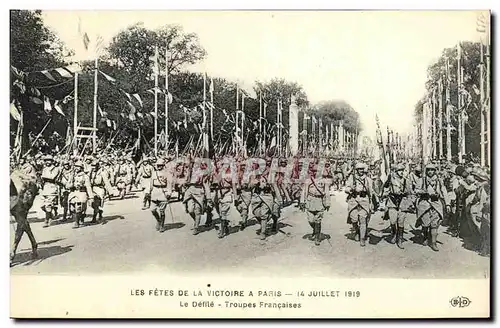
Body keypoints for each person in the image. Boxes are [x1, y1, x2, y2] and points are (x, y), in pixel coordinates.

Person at [415, 163, 451, 252]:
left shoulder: (439, 180)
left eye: (432, 170)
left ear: (435, 171)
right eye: (429, 170)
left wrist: (447, 204)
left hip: (436, 204)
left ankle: (433, 243)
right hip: (424, 204)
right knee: (425, 224)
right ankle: (425, 236)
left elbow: (444, 191)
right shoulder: (421, 180)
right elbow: (415, 190)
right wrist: (423, 192)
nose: (430, 172)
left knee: (435, 224)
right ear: (426, 171)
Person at [300, 160, 332, 246]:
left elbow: (327, 192)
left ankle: (317, 236)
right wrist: (302, 202)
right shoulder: (308, 180)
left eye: (317, 171)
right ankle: (315, 230)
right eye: (313, 171)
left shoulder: (324, 181)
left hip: (319, 201)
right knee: (310, 220)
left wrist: (327, 203)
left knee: (318, 220)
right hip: (310, 201)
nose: (315, 173)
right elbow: (304, 192)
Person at [344, 162, 375, 247]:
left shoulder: (368, 179)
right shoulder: (352, 178)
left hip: (364, 200)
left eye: (362, 169)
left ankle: (362, 238)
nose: (361, 171)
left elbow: (371, 192)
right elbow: (346, 188)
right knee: (353, 219)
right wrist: (350, 189)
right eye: (359, 169)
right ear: (356, 170)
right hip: (353, 200)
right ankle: (357, 231)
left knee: (363, 219)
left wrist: (371, 203)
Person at [381, 163, 411, 249]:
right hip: (392, 202)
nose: (401, 172)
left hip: (402, 203)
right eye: (399, 170)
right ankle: (394, 233)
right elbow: (385, 187)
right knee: (393, 221)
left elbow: (409, 193)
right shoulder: (391, 179)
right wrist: (385, 193)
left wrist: (408, 199)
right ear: (395, 171)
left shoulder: (406, 181)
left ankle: (400, 239)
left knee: (401, 222)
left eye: (402, 170)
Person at [149, 158, 173, 232]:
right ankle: (158, 220)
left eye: (161, 165)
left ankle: (162, 225)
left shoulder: (167, 174)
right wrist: (149, 192)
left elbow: (169, 184)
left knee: (162, 210)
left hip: (163, 192)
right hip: (155, 192)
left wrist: (169, 193)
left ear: (163, 166)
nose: (159, 167)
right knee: (152, 210)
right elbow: (151, 184)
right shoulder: (153, 173)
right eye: (158, 165)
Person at [68, 161, 94, 229]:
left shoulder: (85, 176)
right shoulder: (72, 175)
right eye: (75, 166)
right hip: (74, 192)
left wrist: (91, 197)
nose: (76, 168)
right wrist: (70, 184)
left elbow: (88, 186)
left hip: (82, 193)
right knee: (72, 208)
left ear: (81, 168)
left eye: (78, 167)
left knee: (78, 208)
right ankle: (79, 217)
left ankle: (76, 222)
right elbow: (68, 184)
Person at [89, 159, 116, 223]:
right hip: (92, 188)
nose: (93, 167)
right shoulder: (89, 173)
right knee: (92, 203)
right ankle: (99, 211)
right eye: (92, 166)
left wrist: (110, 191)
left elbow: (106, 182)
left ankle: (94, 217)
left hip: (100, 189)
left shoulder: (102, 173)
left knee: (97, 203)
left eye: (94, 166)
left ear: (97, 166)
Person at [40, 155, 61, 228]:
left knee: (48, 205)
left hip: (52, 187)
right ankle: (50, 215)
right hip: (45, 187)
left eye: (49, 160)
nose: (47, 162)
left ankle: (46, 220)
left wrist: (43, 177)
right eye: (46, 160)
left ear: (52, 161)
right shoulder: (45, 169)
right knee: (42, 206)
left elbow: (52, 177)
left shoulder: (55, 169)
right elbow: (42, 178)